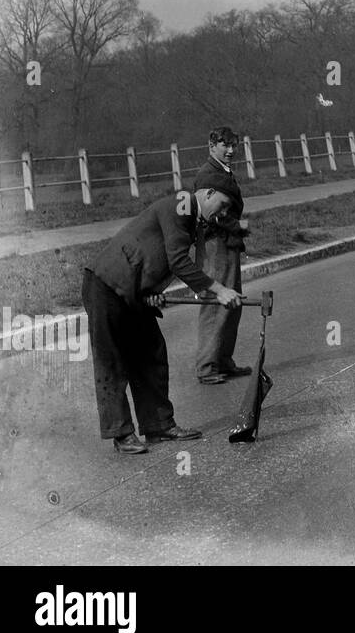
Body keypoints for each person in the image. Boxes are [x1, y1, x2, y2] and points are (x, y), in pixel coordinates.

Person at [82, 188, 244, 454]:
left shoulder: (191, 219)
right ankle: (121, 434)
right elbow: (178, 260)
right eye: (223, 205)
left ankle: (158, 425)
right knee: (112, 362)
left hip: (132, 291)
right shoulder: (183, 204)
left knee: (151, 352)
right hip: (106, 286)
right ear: (209, 193)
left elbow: (154, 256)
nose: (223, 212)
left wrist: (152, 292)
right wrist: (220, 290)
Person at [191, 127, 251, 384]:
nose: (230, 150)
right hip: (215, 244)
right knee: (215, 304)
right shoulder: (208, 175)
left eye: (233, 145)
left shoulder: (221, 171)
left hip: (227, 244)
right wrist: (239, 227)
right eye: (225, 145)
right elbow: (209, 214)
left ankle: (223, 360)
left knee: (232, 302)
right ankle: (206, 367)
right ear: (211, 145)